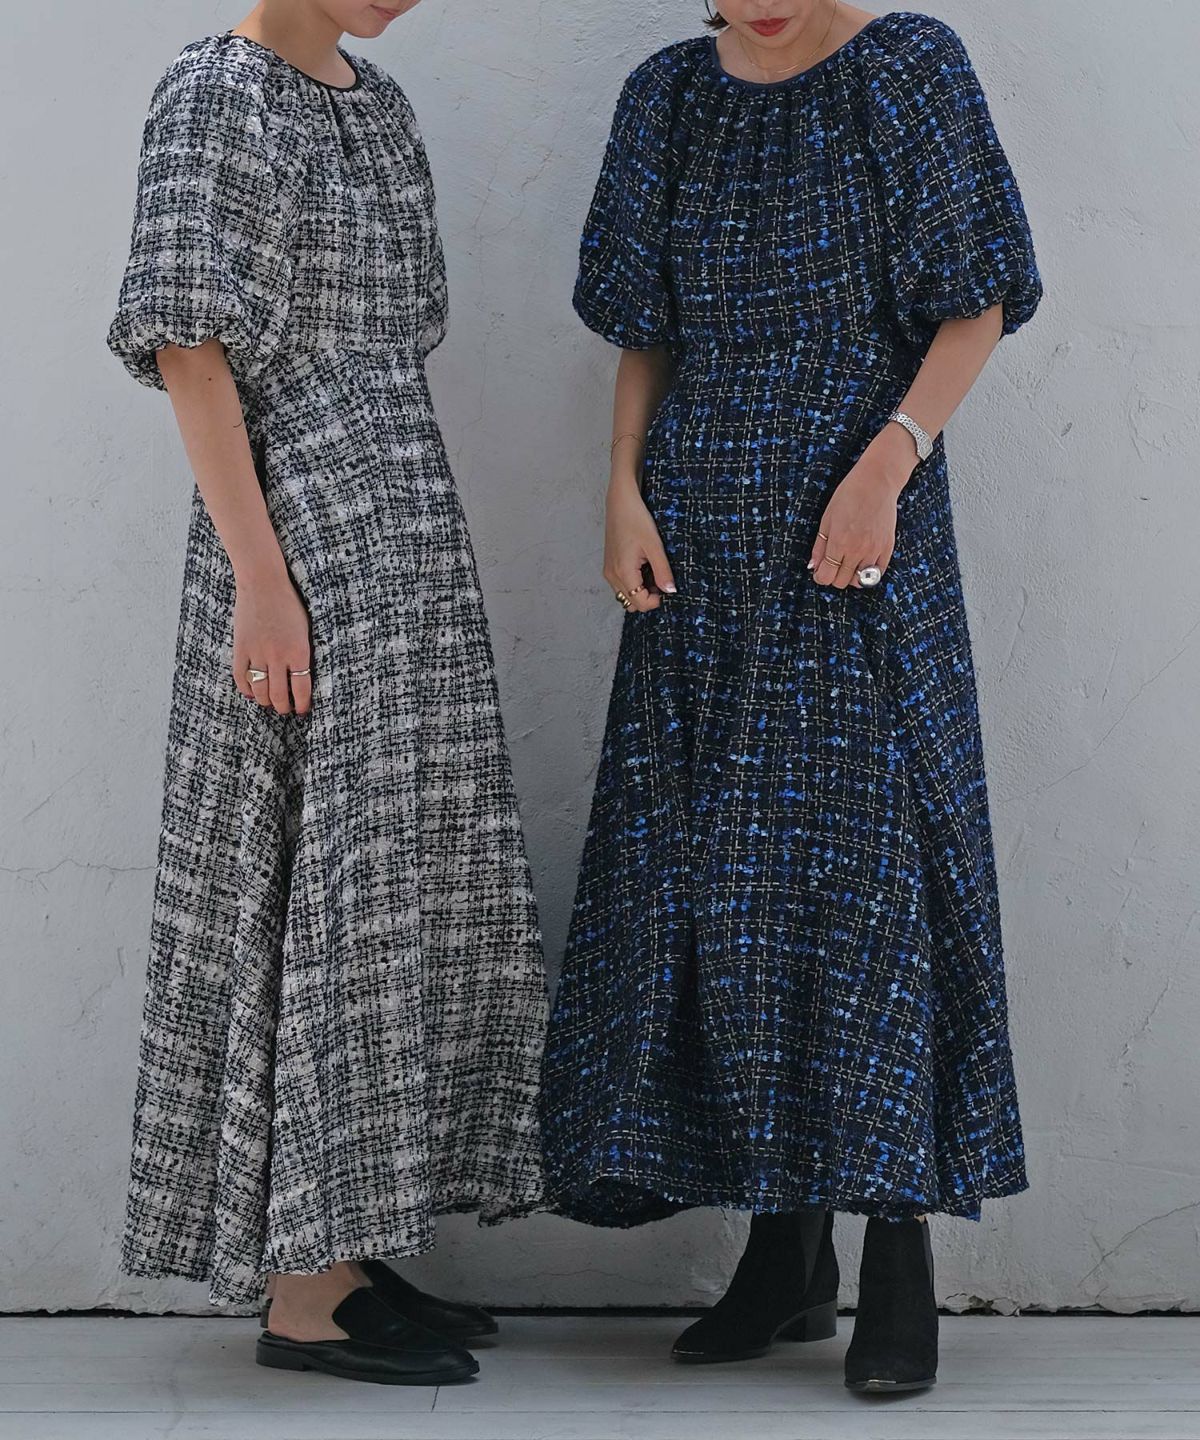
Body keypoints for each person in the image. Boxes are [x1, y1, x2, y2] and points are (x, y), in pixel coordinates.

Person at [540, 0, 1042, 1394]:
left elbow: (977, 301)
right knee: (731, 886)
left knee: (871, 874)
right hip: (699, 538)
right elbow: (647, 330)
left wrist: (888, 463)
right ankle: (785, 1246)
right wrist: (622, 486)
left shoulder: (906, 69)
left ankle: (896, 1250)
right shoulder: (666, 98)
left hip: (857, 533)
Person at [106, 0, 547, 1386]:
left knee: (390, 892)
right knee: (316, 885)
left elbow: (402, 331)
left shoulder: (379, 104)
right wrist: (260, 577)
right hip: (294, 533)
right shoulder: (213, 93)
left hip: (403, 525)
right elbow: (190, 352)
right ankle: (301, 1293)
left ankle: (344, 1239)